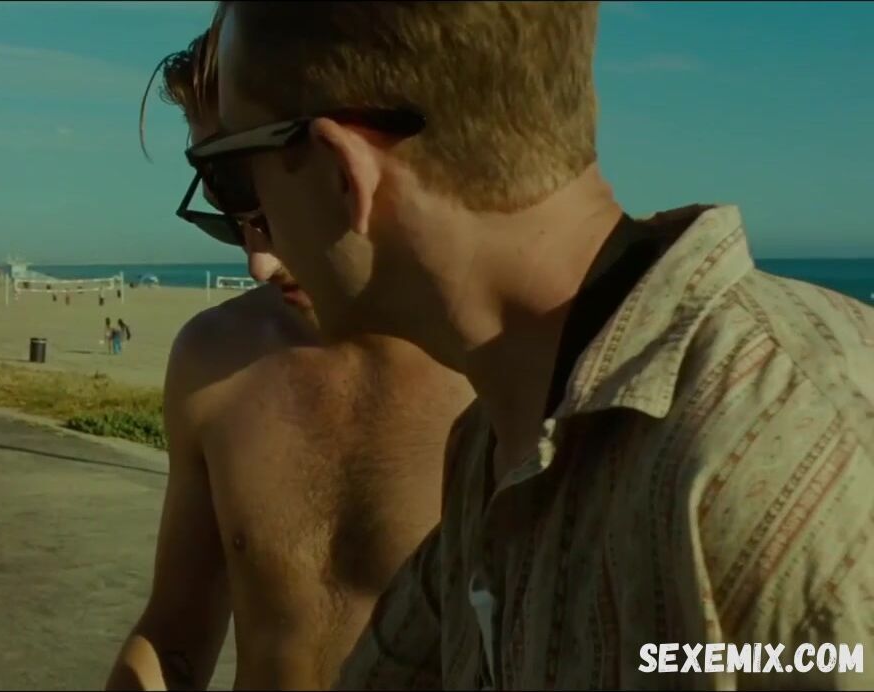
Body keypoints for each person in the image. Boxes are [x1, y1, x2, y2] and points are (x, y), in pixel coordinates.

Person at [196, 2, 874, 688]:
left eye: (235, 174)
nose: (254, 236)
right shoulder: (497, 441)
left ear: (343, 172)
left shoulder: (792, 449)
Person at [106, 31, 474, 690]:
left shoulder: (495, 379)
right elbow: (176, 630)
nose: (257, 261)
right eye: (226, 198)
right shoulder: (213, 357)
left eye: (262, 192)